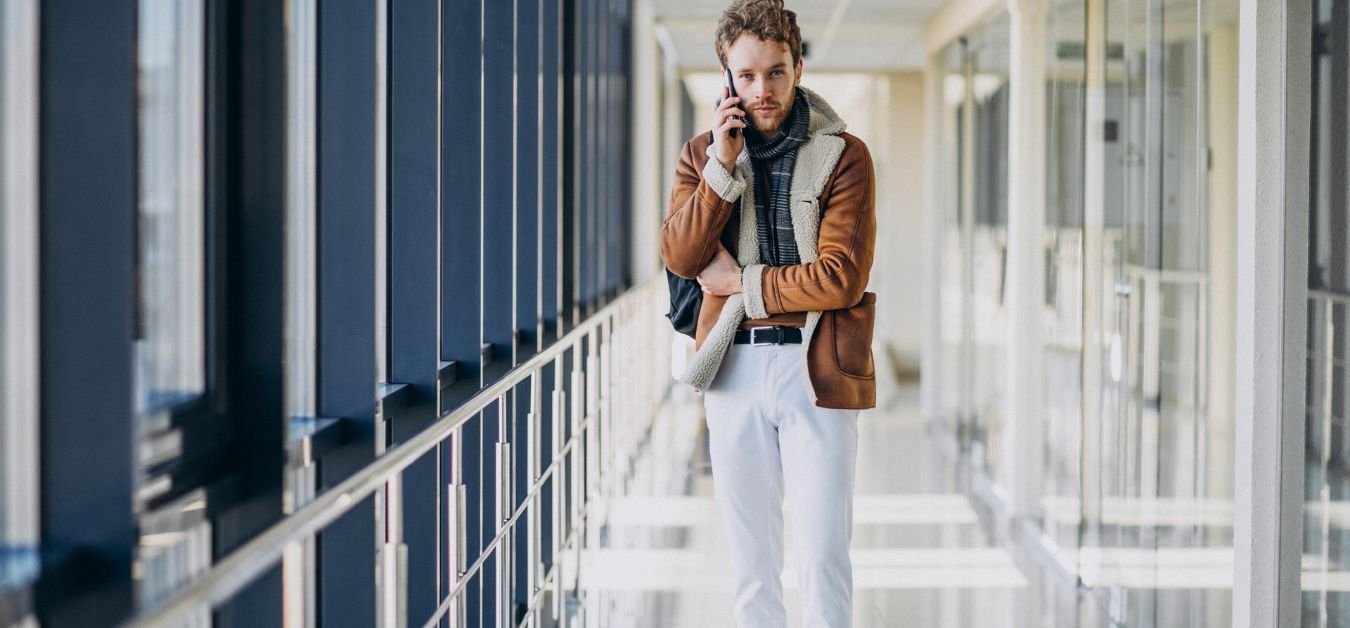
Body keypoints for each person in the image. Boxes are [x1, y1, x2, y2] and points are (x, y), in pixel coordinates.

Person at [658, 0, 878, 625]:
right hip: (733, 371)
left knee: (823, 555)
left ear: (799, 67)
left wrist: (742, 285)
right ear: (726, 77)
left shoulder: (845, 155)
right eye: (747, 75)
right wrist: (721, 169)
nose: (763, 89)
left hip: (820, 371)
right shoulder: (701, 155)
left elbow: (839, 279)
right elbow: (681, 255)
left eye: (776, 72)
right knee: (753, 565)